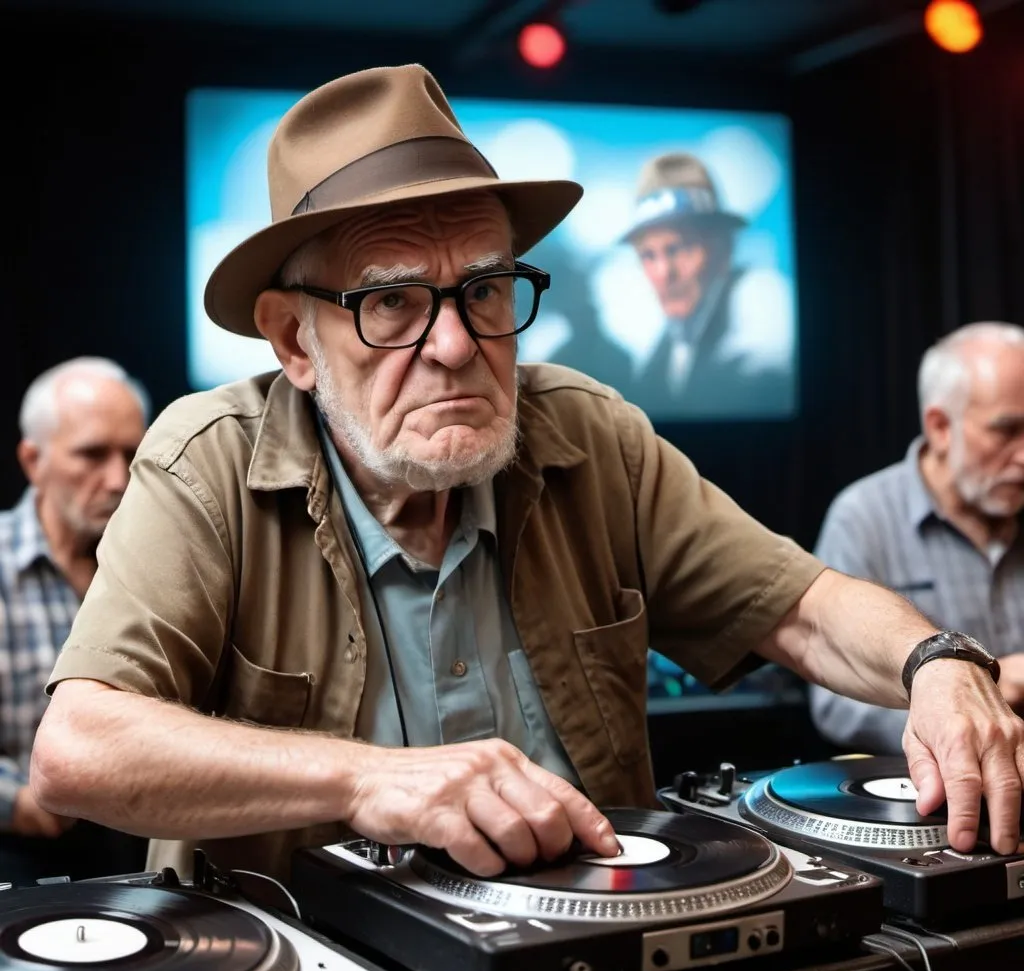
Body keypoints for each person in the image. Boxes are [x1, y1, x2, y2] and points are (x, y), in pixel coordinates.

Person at [28, 65, 1024, 886]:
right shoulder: (204, 459)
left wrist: (933, 660)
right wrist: (370, 780)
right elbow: (80, 748)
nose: (457, 345)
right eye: (392, 304)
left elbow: (800, 606)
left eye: (487, 289)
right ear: (295, 338)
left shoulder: (588, 432)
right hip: (306, 970)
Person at [810, 322, 1024, 755]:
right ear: (940, 427)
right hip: (921, 803)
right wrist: (986, 697)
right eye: (1006, 430)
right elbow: (837, 706)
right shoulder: (864, 518)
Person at [0, 357, 149, 885]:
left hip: (138, 846)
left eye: (132, 454)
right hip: (20, 849)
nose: (117, 478)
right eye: (91, 454)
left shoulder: (156, 568)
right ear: (32, 461)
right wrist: (15, 800)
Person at [623, 152, 793, 420]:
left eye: (680, 248)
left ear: (723, 249)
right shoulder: (660, 349)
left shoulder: (763, 299)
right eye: (648, 255)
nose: (664, 273)